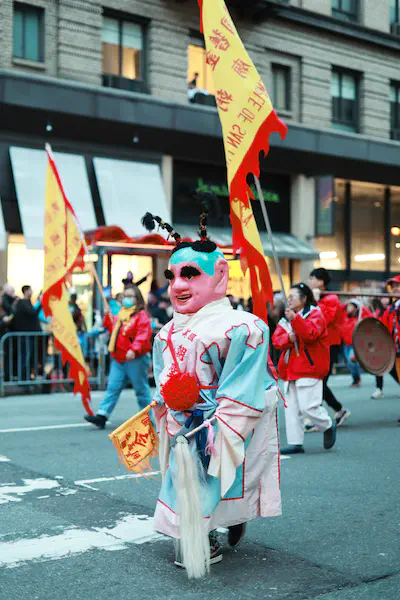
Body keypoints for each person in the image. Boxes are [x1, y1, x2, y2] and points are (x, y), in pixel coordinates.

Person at [142, 211, 280, 572]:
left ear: (220, 275)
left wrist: (223, 423)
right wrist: (163, 403)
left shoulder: (244, 327)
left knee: (219, 474)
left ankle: (215, 527)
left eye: (190, 274)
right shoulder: (166, 332)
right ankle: (201, 532)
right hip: (183, 418)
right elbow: (163, 375)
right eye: (172, 276)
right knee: (185, 478)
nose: (178, 285)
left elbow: (243, 385)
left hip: (223, 416)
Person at [272, 283, 336, 455]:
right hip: (290, 369)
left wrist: (295, 320)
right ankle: (295, 443)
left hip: (309, 367)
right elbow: (276, 340)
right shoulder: (287, 318)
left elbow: (310, 335)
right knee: (291, 409)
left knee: (309, 407)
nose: (289, 299)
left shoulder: (315, 314)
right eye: (288, 296)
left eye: (293, 296)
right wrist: (288, 337)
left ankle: (327, 425)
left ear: (304, 298)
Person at [85, 285, 152, 429]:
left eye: (131, 296)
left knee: (141, 390)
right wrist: (107, 316)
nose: (127, 299)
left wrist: (134, 349)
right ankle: (102, 415)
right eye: (125, 296)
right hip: (119, 357)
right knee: (113, 387)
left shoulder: (141, 316)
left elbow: (143, 334)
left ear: (138, 299)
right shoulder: (120, 314)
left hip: (135, 358)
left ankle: (149, 417)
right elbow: (111, 329)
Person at [308, 268, 351, 426]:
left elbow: (324, 319)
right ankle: (337, 409)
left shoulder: (331, 298)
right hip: (318, 345)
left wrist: (316, 301)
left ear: (320, 281)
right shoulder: (316, 297)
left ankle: (318, 416)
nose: (310, 281)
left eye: (312, 278)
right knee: (318, 382)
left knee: (319, 382)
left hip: (330, 345)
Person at [375, 276, 400, 417]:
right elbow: (382, 329)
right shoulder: (391, 309)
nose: (395, 289)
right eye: (393, 286)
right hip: (396, 350)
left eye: (398, 286)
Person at [342, 299, 372, 388]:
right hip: (346, 344)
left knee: (351, 360)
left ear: (356, 308)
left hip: (356, 344)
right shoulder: (345, 316)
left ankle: (356, 378)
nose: (348, 308)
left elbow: (370, 317)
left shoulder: (360, 317)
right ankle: (356, 378)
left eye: (350, 306)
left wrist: (363, 308)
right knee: (350, 363)